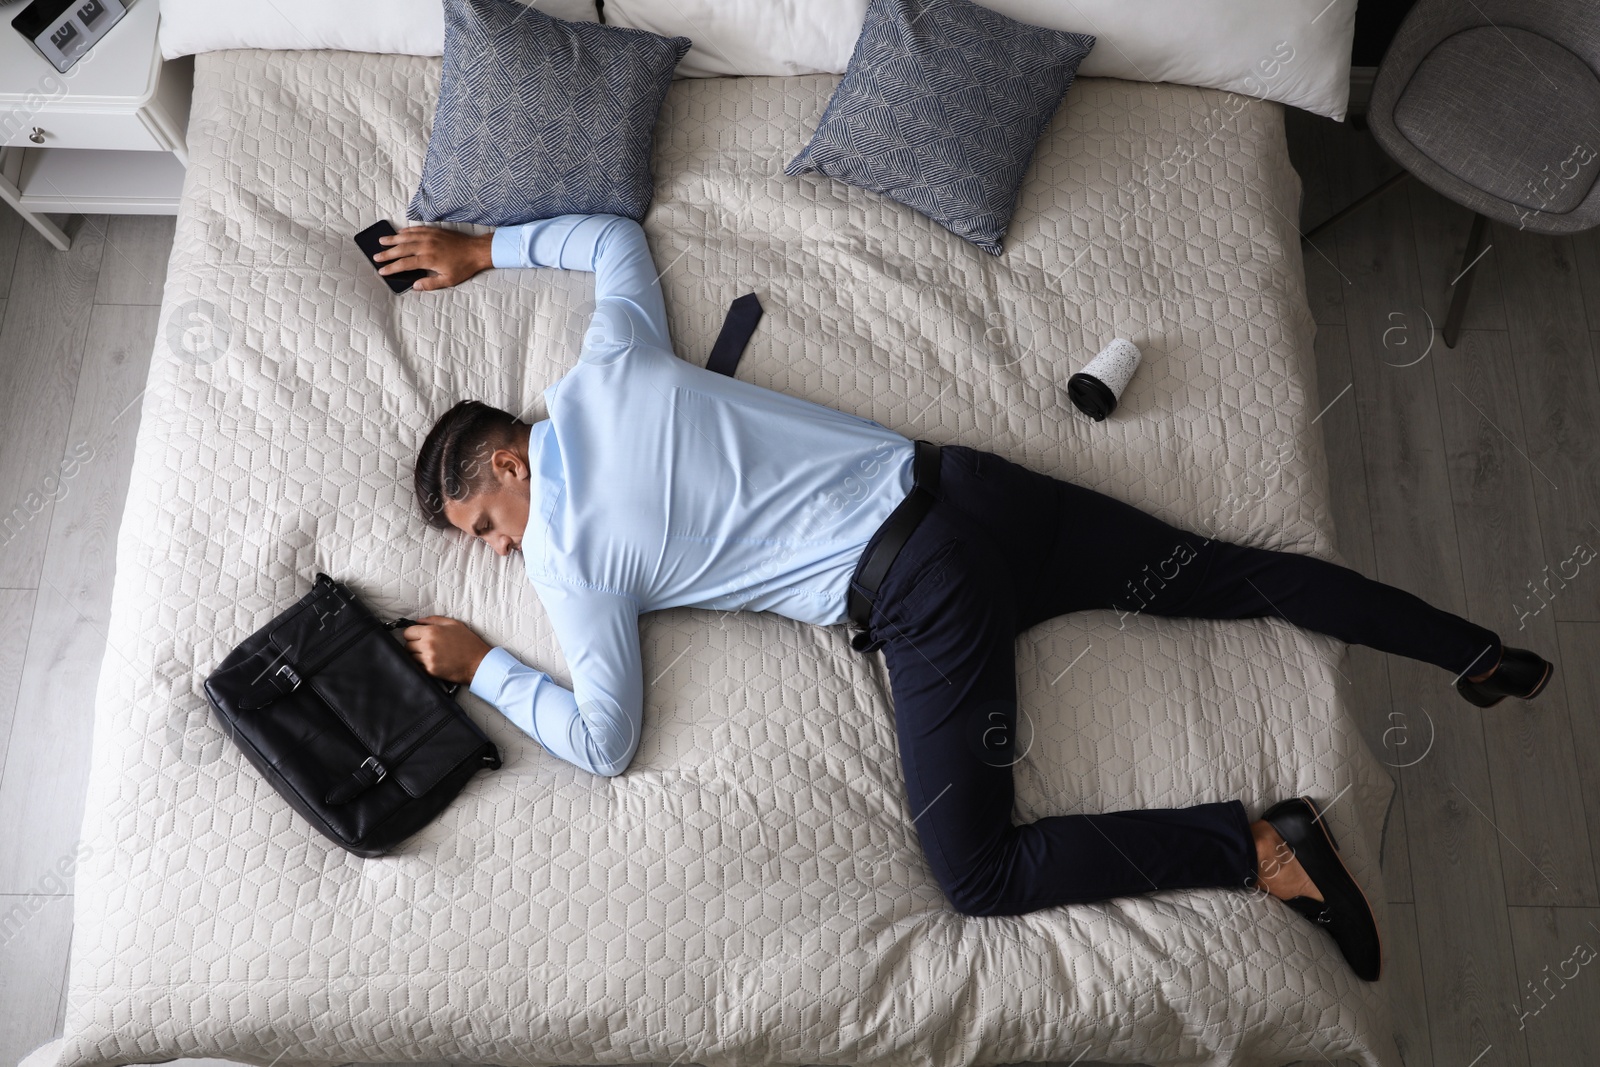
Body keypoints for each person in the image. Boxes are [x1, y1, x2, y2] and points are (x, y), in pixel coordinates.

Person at [375, 214, 1553, 983]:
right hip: (977, 490)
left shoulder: (571, 560)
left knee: (975, 875)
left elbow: (603, 738)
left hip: (927, 597)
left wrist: (486, 668)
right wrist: (484, 249)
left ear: (510, 467)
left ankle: (1256, 845)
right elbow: (614, 240)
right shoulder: (609, 366)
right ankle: (1470, 649)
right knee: (1226, 571)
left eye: (482, 526)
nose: (492, 553)